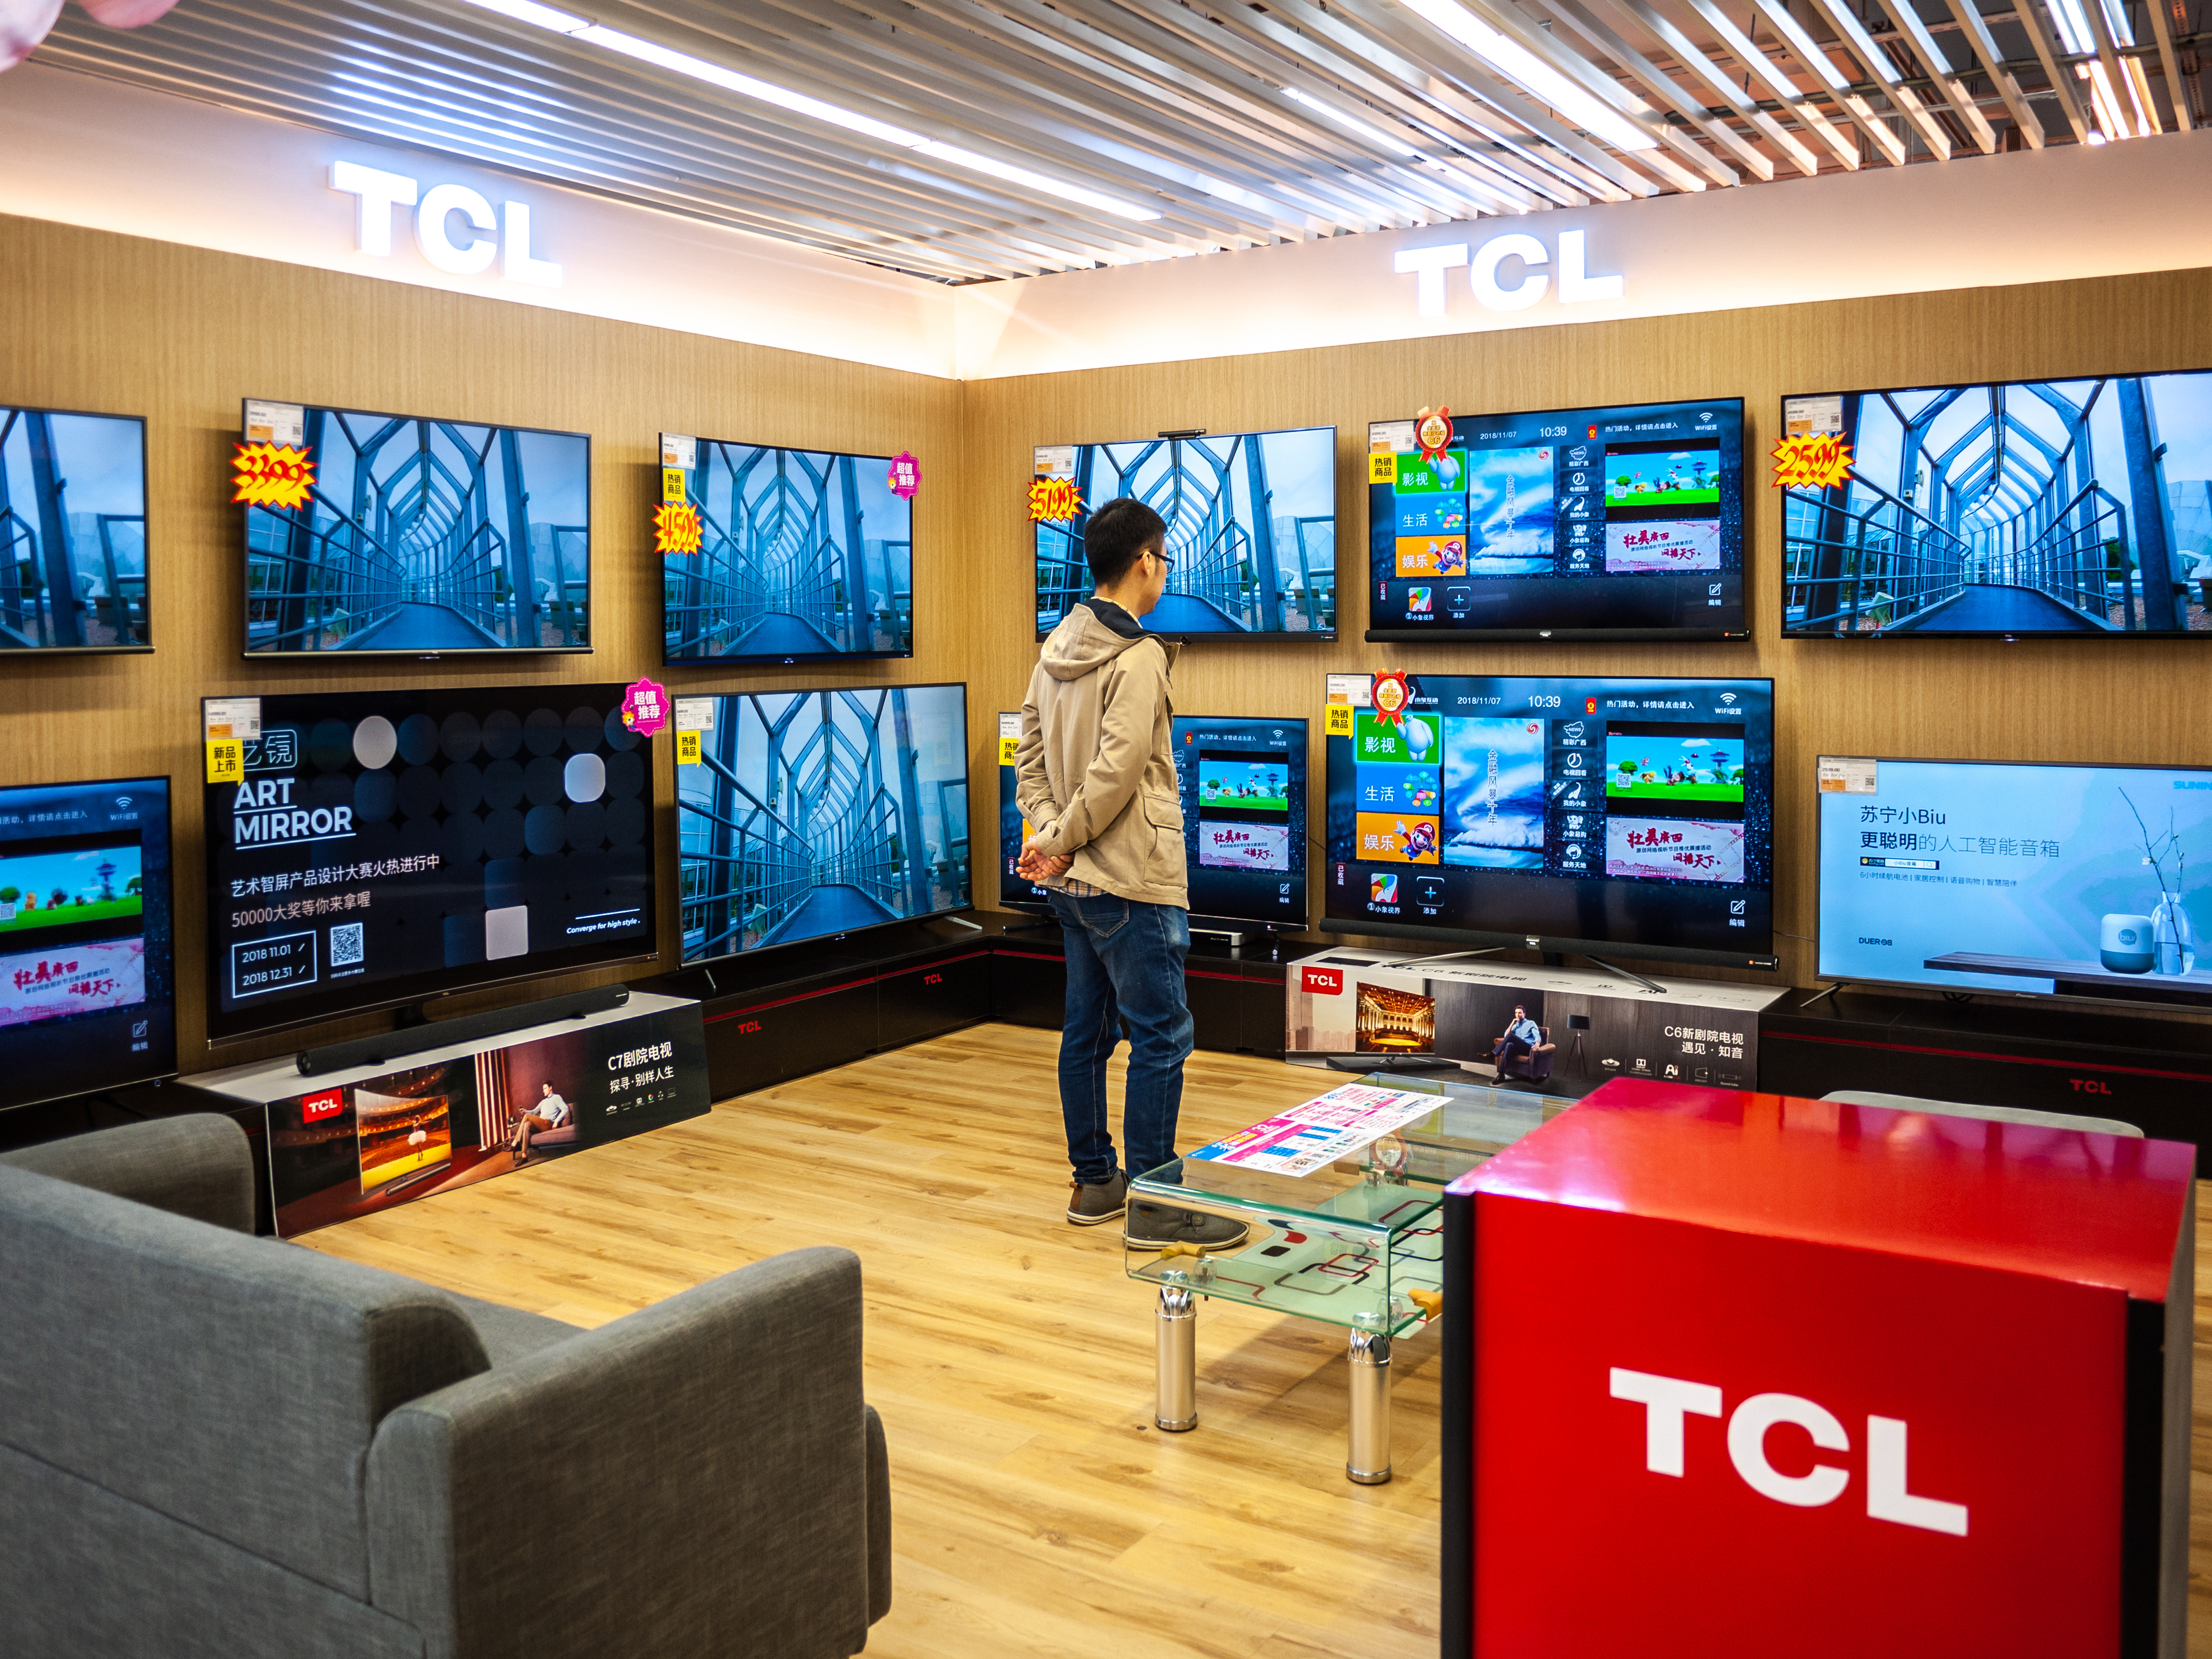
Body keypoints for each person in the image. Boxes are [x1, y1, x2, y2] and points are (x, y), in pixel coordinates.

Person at [1014, 497, 1246, 1251]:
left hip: (1073, 885)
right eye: (1166, 557)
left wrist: (1050, 839)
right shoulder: (1140, 657)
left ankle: (1095, 1181)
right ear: (1144, 561)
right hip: (1131, 880)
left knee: (1086, 1031)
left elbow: (1029, 756)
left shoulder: (1055, 649)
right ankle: (1154, 1200)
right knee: (1162, 1036)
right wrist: (1063, 836)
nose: (1166, 571)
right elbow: (1116, 777)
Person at [508, 1079, 571, 1164]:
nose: (543, 1091)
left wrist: (556, 1121)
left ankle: (515, 1142)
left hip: (547, 1123)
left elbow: (565, 1109)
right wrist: (525, 1111)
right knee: (526, 1124)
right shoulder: (543, 1102)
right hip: (540, 1124)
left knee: (527, 1118)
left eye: (545, 1088)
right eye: (543, 1089)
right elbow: (534, 1112)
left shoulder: (557, 1098)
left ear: (551, 1088)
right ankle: (524, 1155)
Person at [1492, 1005, 1542, 1074]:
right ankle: (1501, 1074)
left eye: (1520, 1013)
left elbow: (1537, 1034)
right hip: (1518, 1049)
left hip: (1528, 1048)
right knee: (1509, 1045)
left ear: (1524, 1014)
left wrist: (1538, 1043)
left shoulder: (1531, 1023)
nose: (1518, 1015)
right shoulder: (1515, 1025)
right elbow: (1506, 1036)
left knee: (1511, 1036)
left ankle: (1493, 1055)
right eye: (1516, 1013)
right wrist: (1512, 1023)